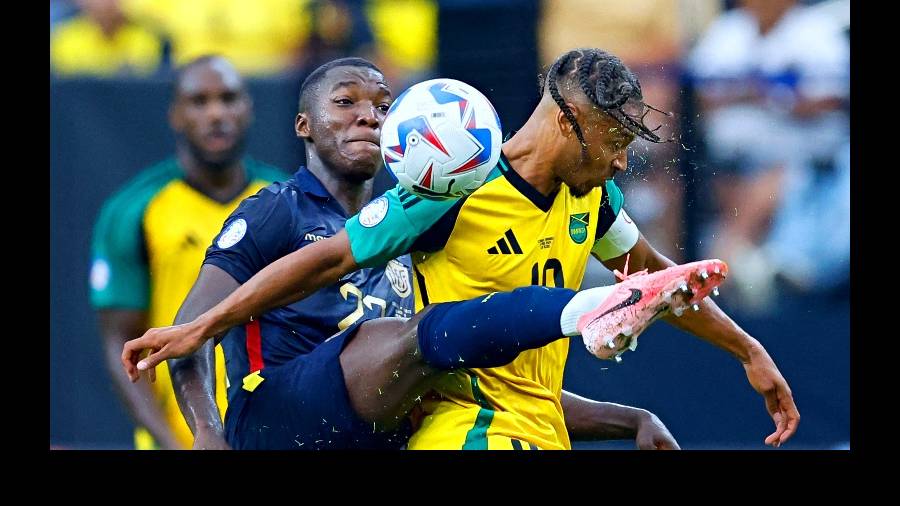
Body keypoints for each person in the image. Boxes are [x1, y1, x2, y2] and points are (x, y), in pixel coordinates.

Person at [124, 49, 798, 449]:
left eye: (381, 105)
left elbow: (657, 280)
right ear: (569, 124)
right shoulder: (449, 187)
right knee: (420, 333)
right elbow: (331, 259)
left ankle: (589, 310)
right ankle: (583, 311)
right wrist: (202, 330)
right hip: (456, 429)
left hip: (519, 429)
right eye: (616, 144)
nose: (623, 163)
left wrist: (748, 352)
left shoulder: (592, 202)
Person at [90, 55, 286, 449]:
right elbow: (120, 342)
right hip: (177, 439)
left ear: (248, 108)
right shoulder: (133, 209)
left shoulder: (285, 201)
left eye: (228, 98)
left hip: (276, 432)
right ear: (176, 114)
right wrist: (172, 444)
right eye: (199, 101)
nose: (216, 113)